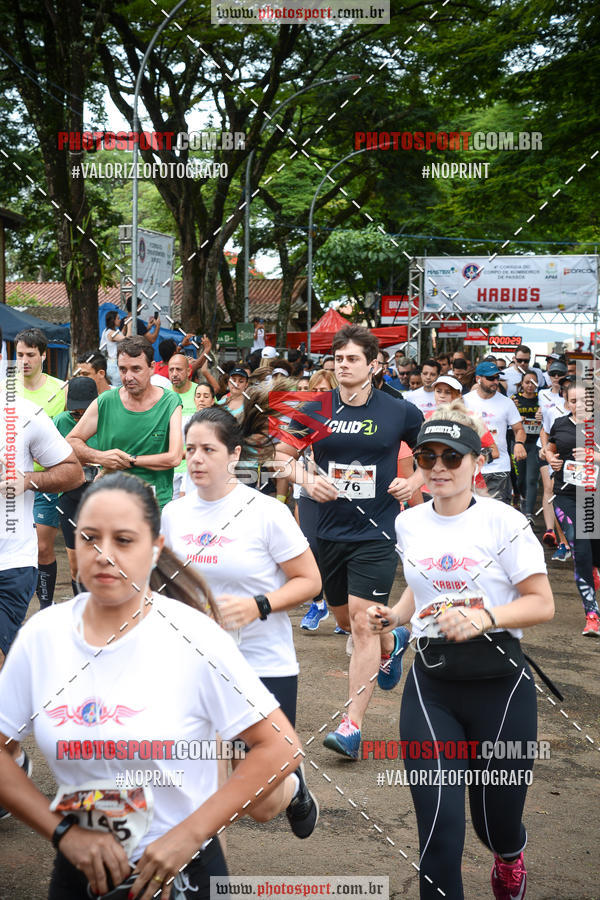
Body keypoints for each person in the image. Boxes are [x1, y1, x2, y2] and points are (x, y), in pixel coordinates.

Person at [0, 472, 309, 898]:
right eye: (90, 538)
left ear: (156, 547)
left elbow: (279, 747)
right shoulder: (43, 635)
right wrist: (63, 834)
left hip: (182, 876)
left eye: (124, 540)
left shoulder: (193, 636)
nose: (104, 554)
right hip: (79, 875)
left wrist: (189, 834)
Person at [367, 404, 554, 900]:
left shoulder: (505, 522)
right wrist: (394, 616)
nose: (439, 467)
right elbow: (418, 591)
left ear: (476, 462)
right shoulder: (410, 525)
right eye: (427, 457)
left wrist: (485, 618)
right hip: (433, 688)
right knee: (439, 830)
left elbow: (543, 603)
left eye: (452, 456)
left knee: (495, 825)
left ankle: (510, 857)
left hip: (501, 687)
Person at [161, 410, 321, 836]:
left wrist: (260, 605)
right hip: (196, 666)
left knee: (261, 805)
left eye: (208, 450)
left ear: (234, 456)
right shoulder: (173, 515)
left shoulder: (266, 512)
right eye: (190, 450)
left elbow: (310, 580)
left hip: (262, 663)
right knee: (206, 790)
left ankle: (293, 785)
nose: (196, 459)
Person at [276, 325, 423, 759]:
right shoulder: (315, 407)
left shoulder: (400, 411)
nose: (343, 366)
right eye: (338, 359)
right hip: (324, 530)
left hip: (375, 532)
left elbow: (433, 455)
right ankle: (392, 641)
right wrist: (308, 480)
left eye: (352, 358)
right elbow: (281, 458)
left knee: (361, 622)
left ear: (374, 364)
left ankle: (351, 727)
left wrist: (412, 478)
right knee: (344, 618)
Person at [0, 331, 84, 818]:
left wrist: (23, 479)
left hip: (9, 564)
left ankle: (10, 761)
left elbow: (72, 471)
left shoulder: (25, 417)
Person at [68, 337, 183, 509]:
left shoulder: (170, 401)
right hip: (110, 502)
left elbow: (174, 457)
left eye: (136, 369)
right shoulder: (105, 401)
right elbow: (71, 442)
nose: (128, 377)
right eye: (123, 369)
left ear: (152, 368)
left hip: (153, 506)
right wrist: (100, 457)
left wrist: (128, 460)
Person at [15, 327, 67, 610]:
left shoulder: (61, 389)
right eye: (20, 354)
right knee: (15, 548)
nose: (24, 360)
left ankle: (45, 607)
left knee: (42, 547)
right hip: (10, 482)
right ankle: (17, 605)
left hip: (46, 479)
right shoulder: (5, 389)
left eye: (30, 355)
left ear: (43, 356)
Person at [547, 382, 600, 635]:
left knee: (593, 550)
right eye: (573, 401)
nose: (579, 406)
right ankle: (592, 613)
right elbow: (549, 447)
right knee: (580, 544)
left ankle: (593, 567)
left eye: (584, 400)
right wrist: (549, 457)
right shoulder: (560, 424)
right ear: (567, 403)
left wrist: (594, 456)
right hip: (566, 495)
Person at [297, 369, 338, 632]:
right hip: (309, 492)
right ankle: (318, 604)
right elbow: (284, 453)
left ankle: (342, 609)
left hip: (340, 493)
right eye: (316, 390)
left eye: (325, 391)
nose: (320, 396)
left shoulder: (345, 419)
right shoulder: (302, 418)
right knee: (310, 548)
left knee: (335, 552)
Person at [53, 376, 100, 596]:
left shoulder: (105, 418)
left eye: (84, 411)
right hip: (70, 495)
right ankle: (80, 607)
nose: (79, 416)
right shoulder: (61, 421)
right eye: (75, 411)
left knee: (99, 557)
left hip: (100, 497)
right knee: (75, 563)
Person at [464, 361, 527, 503]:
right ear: (478, 379)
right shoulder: (465, 401)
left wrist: (518, 443)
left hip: (499, 467)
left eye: (497, 378)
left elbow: (519, 429)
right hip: (472, 467)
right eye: (491, 378)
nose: (495, 382)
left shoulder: (507, 403)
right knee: (471, 511)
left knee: (497, 512)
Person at [538, 363, 570, 554]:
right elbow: (545, 432)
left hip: (584, 466)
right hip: (558, 463)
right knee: (559, 500)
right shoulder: (553, 411)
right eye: (566, 391)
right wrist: (547, 452)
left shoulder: (592, 414)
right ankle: (563, 543)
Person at [510, 370, 542, 523]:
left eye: (534, 382)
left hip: (535, 444)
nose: (530, 385)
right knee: (519, 479)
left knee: (531, 479)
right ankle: (520, 496)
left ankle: (528, 513)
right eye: (527, 382)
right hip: (517, 443)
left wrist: (542, 417)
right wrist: (517, 418)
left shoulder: (541, 400)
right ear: (522, 384)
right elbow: (506, 420)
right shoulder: (514, 400)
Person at [168, 354, 199, 497]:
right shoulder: (163, 395)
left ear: (188, 371)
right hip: (169, 468)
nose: (174, 374)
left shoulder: (201, 393)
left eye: (179, 369)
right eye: (171, 369)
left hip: (194, 467)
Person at [99, 310, 125, 386]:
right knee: (118, 389)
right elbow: (126, 339)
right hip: (115, 365)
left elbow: (120, 335)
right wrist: (130, 326)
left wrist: (125, 325)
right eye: (118, 318)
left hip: (110, 363)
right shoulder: (111, 333)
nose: (120, 320)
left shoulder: (106, 331)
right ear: (113, 320)